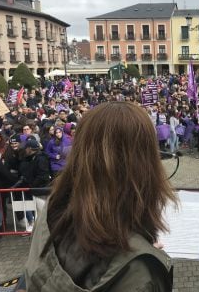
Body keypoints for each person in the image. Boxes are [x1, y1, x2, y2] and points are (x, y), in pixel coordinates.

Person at [24, 102, 177, 291]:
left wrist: (139, 245)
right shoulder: (139, 271)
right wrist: (141, 256)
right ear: (144, 163)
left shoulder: (53, 208)